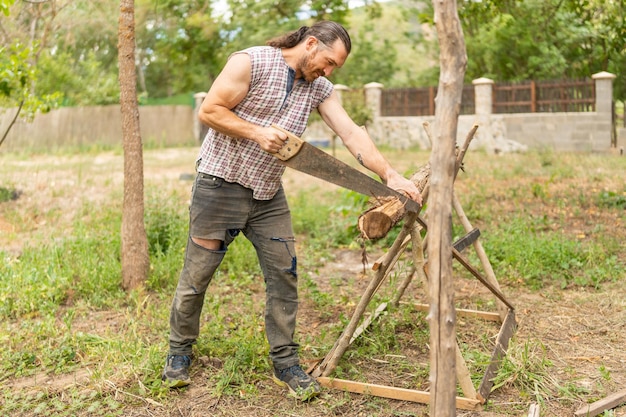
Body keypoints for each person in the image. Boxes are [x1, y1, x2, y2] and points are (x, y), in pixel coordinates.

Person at [162, 20, 422, 400]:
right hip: (219, 185)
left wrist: (389, 174)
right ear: (312, 44)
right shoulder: (251, 62)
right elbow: (211, 111)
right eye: (329, 62)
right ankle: (179, 352)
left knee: (284, 274)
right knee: (197, 275)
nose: (329, 71)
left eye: (336, 68)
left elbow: (350, 132)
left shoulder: (319, 88)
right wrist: (256, 131)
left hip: (267, 195)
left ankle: (285, 362)